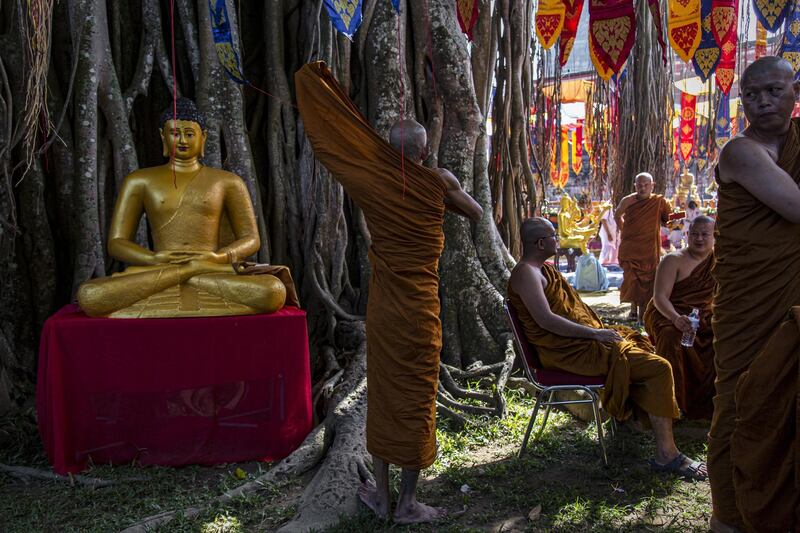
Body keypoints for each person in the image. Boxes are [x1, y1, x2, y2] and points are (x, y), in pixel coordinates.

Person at [295, 62, 482, 524]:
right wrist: (444, 182)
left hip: (383, 307)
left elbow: (333, 151)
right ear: (423, 150)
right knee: (415, 396)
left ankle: (380, 494)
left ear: (387, 151)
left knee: (384, 392)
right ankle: (407, 503)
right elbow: (475, 213)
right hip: (420, 309)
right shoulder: (437, 181)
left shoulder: (371, 179)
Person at [508, 217, 707, 480]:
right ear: (542, 242)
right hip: (567, 353)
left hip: (581, 344)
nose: (559, 238)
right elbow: (546, 320)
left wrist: (598, 332)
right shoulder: (526, 273)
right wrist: (594, 334)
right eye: (554, 235)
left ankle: (630, 423)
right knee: (659, 367)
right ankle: (667, 455)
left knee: (641, 348)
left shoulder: (543, 270)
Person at [77, 98, 293, 317]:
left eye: (189, 134)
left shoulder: (227, 182)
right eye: (174, 133)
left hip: (211, 268)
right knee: (90, 295)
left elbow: (251, 239)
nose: (182, 140)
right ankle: (188, 274)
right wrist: (153, 259)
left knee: (273, 291)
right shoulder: (139, 181)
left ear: (203, 137)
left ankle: (186, 276)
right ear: (163, 136)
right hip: (160, 268)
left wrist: (217, 258)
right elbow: (116, 243)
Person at [709, 56, 800, 533]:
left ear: (794, 92)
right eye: (751, 94)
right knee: (741, 406)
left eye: (773, 90)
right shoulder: (740, 152)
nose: (762, 101)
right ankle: (728, 518)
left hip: (792, 302)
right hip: (751, 308)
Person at [643, 216, 716, 420]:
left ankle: (713, 402)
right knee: (671, 336)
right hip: (668, 314)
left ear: (714, 237)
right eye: (694, 234)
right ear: (687, 235)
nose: (699, 239)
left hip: (704, 317)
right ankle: (671, 404)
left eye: (705, 234)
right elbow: (659, 298)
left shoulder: (720, 262)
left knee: (725, 337)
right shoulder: (673, 260)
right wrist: (676, 319)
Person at [615, 173, 671, 322]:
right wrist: (625, 231)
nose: (643, 188)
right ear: (635, 186)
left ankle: (645, 313)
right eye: (639, 185)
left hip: (649, 248)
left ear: (652, 186)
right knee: (632, 278)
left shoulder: (659, 202)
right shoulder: (628, 200)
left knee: (648, 279)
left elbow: (669, 219)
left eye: (646, 185)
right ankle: (633, 310)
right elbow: (617, 214)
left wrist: (677, 220)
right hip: (631, 247)